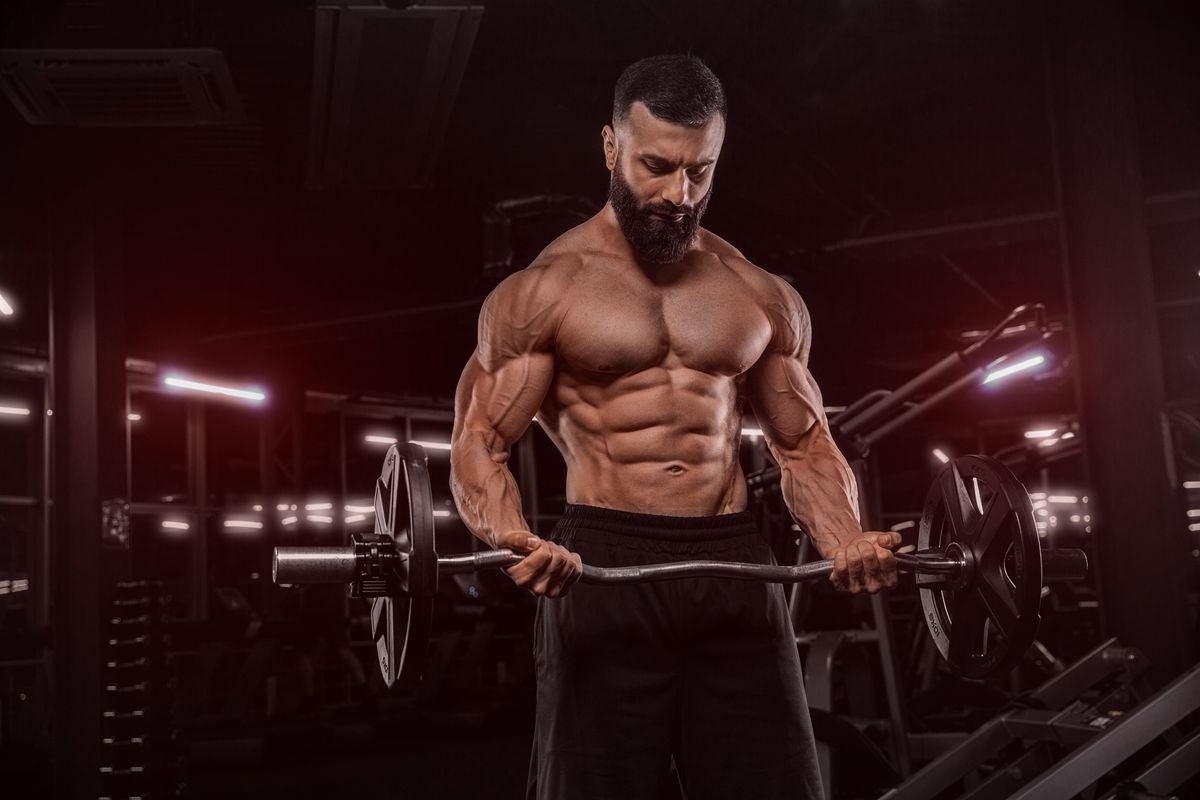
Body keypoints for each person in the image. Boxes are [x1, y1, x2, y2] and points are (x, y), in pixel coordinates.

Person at [450, 54, 900, 800]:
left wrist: (844, 539)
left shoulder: (759, 295)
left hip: (734, 567)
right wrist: (512, 538)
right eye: (656, 166)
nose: (676, 194)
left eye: (699, 171)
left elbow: (802, 442)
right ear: (609, 148)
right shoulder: (544, 290)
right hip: (602, 567)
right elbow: (481, 442)